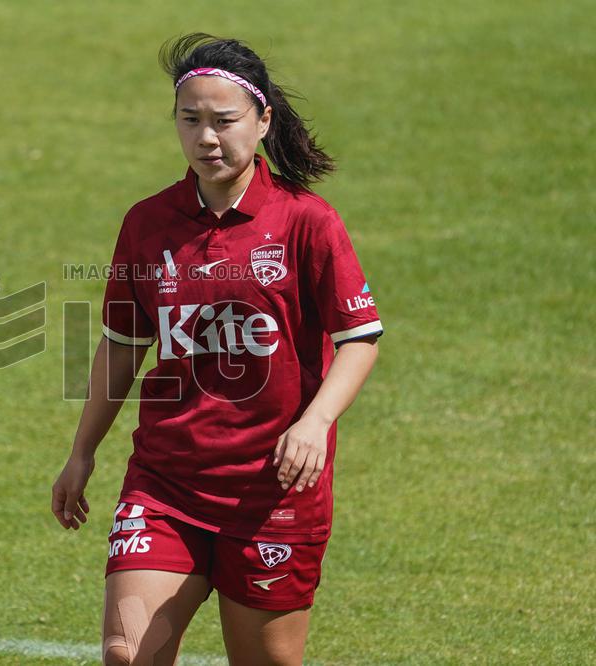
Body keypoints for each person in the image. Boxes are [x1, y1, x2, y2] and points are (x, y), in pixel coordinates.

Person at [52, 33, 383, 666]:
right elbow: (122, 345)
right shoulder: (147, 223)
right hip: (165, 482)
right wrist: (82, 453)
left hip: (272, 493)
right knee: (127, 654)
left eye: (224, 121)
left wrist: (315, 423)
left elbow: (360, 337)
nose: (207, 138)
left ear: (262, 122)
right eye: (190, 120)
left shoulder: (305, 220)